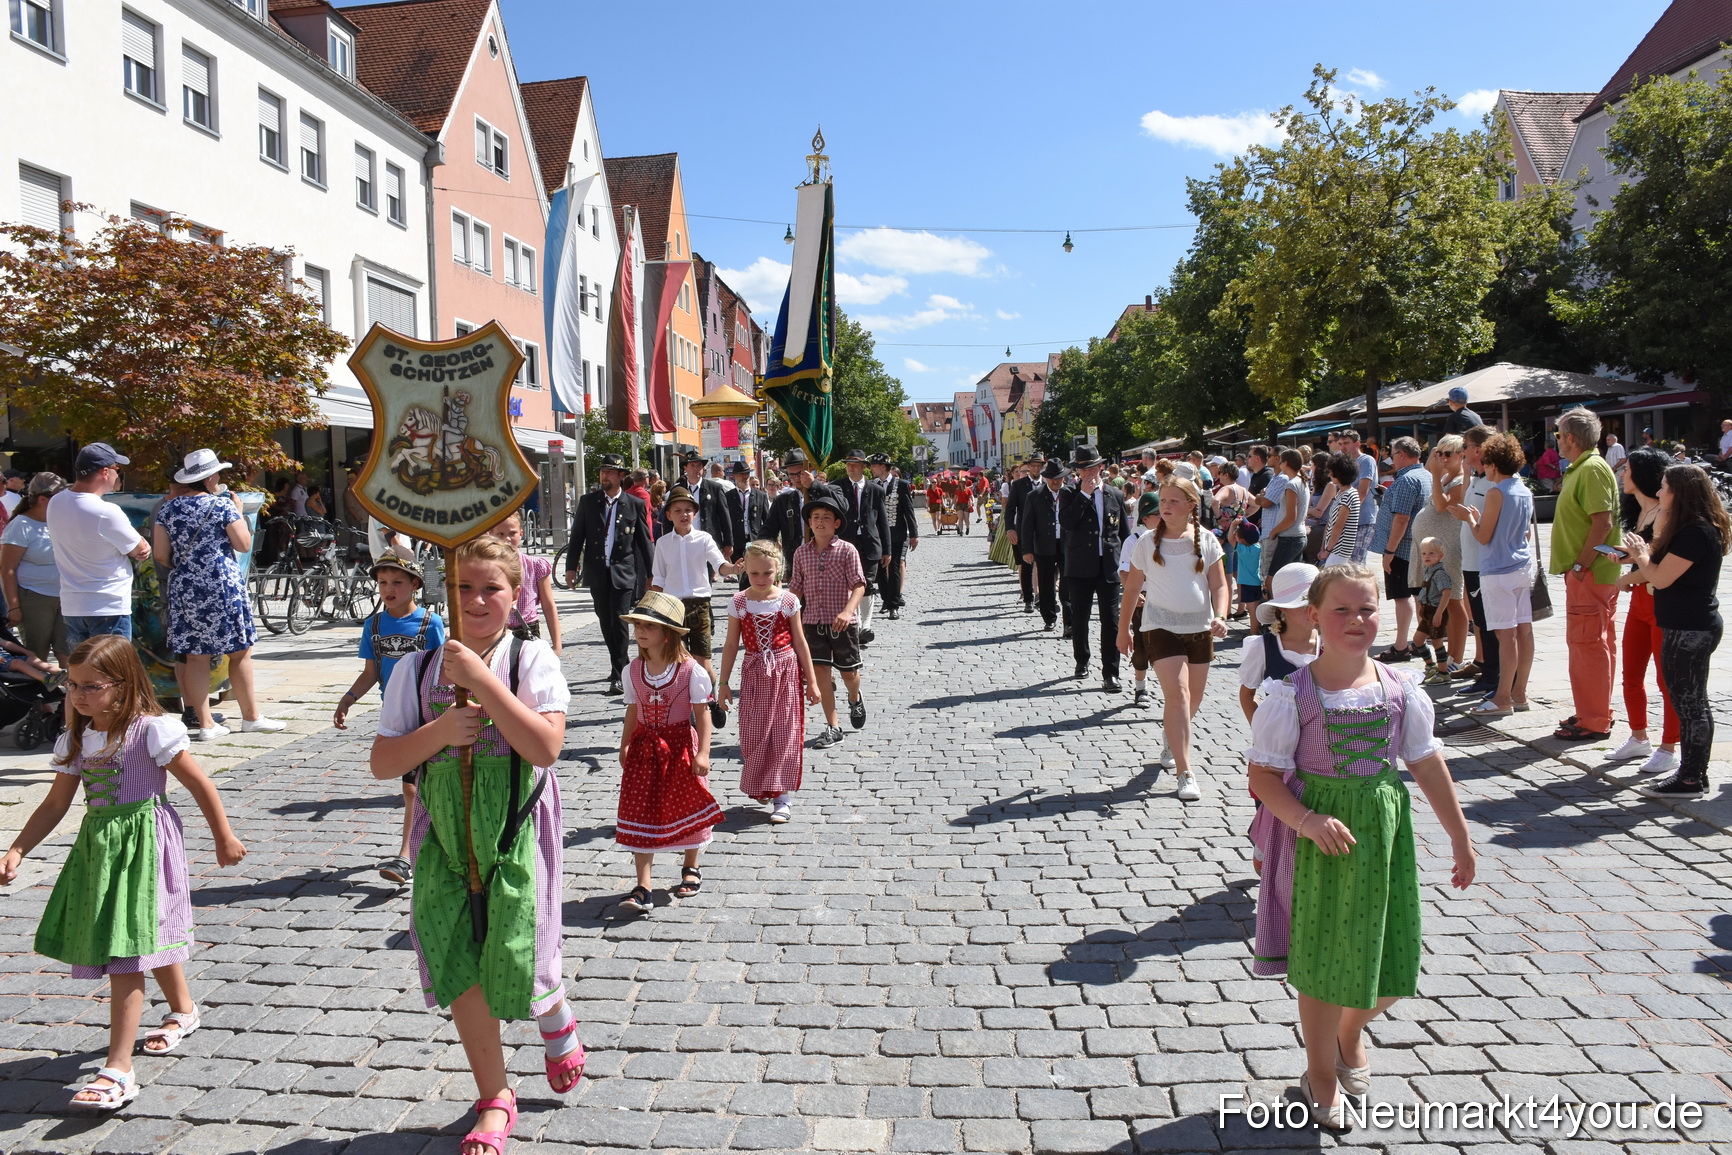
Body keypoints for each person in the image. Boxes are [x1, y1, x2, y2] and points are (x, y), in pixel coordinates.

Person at [370, 537, 582, 1150]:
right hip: (442, 834)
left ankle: (552, 1011)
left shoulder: (530, 660)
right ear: (445, 593)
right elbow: (385, 762)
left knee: (519, 951)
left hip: (513, 826)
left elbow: (544, 748)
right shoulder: (415, 669)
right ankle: (494, 1094)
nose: (476, 599)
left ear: (516, 595)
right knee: (457, 955)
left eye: (491, 587)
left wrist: (484, 684)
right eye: (463, 587)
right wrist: (438, 730)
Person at [1246, 564, 1474, 1130]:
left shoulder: (1399, 687)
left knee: (1393, 957)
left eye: (1367, 609)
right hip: (1318, 842)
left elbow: (1424, 760)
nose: (1357, 620)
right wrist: (1306, 819)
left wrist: (1460, 834)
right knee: (1323, 965)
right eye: (1342, 610)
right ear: (1314, 617)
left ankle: (1351, 1030)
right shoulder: (1291, 693)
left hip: (1381, 836)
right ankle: (1320, 1076)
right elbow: (1263, 775)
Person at [1, 635, 245, 1109]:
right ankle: (184, 1009)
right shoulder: (76, 737)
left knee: (125, 948)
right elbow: (55, 803)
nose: (78, 695)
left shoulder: (151, 730)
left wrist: (223, 836)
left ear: (122, 683)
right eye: (72, 685)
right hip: (99, 849)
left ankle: (118, 1068)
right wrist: (18, 848)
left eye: (91, 686)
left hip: (145, 843)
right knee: (138, 933)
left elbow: (199, 783)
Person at [152, 450, 285, 741]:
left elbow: (160, 554)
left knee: (196, 657)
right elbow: (242, 543)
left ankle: (205, 724)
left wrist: (187, 569)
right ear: (210, 477)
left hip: (185, 587)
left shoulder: (168, 508)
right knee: (240, 652)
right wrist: (238, 512)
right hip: (221, 585)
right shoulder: (221, 506)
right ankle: (251, 717)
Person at [333, 553, 446, 884]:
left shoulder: (430, 624)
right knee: (414, 785)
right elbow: (371, 672)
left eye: (397, 582)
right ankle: (418, 849)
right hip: (395, 715)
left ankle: (406, 856)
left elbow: (441, 668)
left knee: (413, 787)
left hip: (426, 711)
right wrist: (348, 699)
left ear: (414, 585)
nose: (389, 589)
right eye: (383, 582)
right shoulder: (375, 625)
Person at [1620, 464, 1729, 800]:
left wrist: (1640, 556)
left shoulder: (1696, 531)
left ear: (1680, 493)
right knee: (1689, 702)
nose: (1660, 491)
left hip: (1691, 628)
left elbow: (1661, 578)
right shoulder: (1685, 528)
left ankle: (1693, 777)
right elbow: (1661, 571)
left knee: (1691, 704)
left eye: (1665, 487)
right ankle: (1690, 774)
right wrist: (1638, 563)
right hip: (1683, 625)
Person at [1116, 479, 1228, 800]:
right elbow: (1133, 589)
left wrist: (1220, 616)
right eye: (1163, 500)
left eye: (1174, 501)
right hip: (1159, 627)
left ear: (1192, 505)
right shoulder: (1147, 543)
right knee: (1177, 696)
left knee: (1192, 700)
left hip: (1200, 628)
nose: (1165, 506)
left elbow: (1219, 585)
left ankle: (1171, 736)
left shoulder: (1206, 540)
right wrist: (1124, 629)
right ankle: (1185, 771)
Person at [613, 590, 724, 911]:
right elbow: (632, 710)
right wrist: (625, 744)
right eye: (637, 626)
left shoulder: (691, 672)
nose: (640, 632)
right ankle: (642, 885)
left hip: (679, 746)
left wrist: (703, 753)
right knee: (640, 808)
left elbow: (702, 714)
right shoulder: (633, 670)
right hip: (645, 748)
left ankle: (691, 864)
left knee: (688, 802)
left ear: (668, 635)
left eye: (649, 626)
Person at [717, 540, 820, 824]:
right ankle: (764, 782)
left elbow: (800, 641)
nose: (761, 579)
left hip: (785, 670)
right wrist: (723, 683)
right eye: (754, 574)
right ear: (745, 572)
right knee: (754, 733)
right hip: (754, 671)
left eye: (768, 573)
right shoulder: (739, 602)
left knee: (785, 732)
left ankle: (782, 797)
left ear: (779, 571)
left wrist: (811, 681)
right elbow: (729, 644)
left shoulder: (788, 601)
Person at [1549, 408, 1622, 742]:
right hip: (1592, 572)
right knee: (1595, 643)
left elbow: (1602, 522)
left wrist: (1580, 566)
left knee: (1587, 644)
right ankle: (1594, 712)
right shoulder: (1584, 467)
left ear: (1571, 438)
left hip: (1590, 573)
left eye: (1559, 434)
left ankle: (1593, 719)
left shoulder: (1590, 468)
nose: (1557, 440)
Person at [1610, 448, 1679, 776]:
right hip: (1640, 601)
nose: (1622, 475)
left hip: (1658, 601)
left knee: (1666, 681)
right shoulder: (1641, 512)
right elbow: (1644, 553)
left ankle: (1669, 747)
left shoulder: (1665, 513)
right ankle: (1639, 736)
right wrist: (1624, 557)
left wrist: (1627, 574)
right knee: (1631, 673)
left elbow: (1659, 563)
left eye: (1627, 469)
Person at [649, 486, 740, 729]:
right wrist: (651, 610)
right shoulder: (662, 543)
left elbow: (719, 564)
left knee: (702, 663)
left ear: (695, 514)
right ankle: (685, 706)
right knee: (678, 660)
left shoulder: (704, 539)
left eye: (688, 510)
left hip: (699, 606)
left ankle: (712, 701)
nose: (683, 514)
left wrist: (733, 569)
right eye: (678, 510)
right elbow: (658, 578)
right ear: (669, 515)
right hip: (671, 608)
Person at [564, 454, 654, 696]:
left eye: (610, 472)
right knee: (605, 621)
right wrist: (571, 567)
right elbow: (577, 538)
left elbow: (644, 541)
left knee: (620, 621)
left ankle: (619, 674)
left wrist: (653, 573)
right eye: (603, 471)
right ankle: (619, 663)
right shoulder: (588, 502)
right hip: (597, 571)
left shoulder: (633, 504)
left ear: (621, 476)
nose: (605, 476)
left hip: (623, 572)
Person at [46, 443, 152, 645]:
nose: (117, 475)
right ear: (105, 472)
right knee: (113, 674)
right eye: (116, 469)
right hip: (108, 605)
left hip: (73, 605)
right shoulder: (105, 511)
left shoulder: (56, 502)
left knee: (84, 673)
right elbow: (140, 549)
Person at [1462, 434, 1535, 717]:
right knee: (1525, 632)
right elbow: (1526, 532)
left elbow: (1483, 535)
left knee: (1506, 637)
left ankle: (1503, 697)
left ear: (1493, 465)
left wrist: (1470, 518)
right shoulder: (1523, 490)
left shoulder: (1497, 492)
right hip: (1521, 567)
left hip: (1498, 570)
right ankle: (1519, 693)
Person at [788, 493, 867, 749]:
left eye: (826, 518)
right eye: (815, 518)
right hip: (812, 622)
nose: (820, 522)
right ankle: (833, 726)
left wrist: (847, 612)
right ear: (809, 523)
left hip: (843, 622)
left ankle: (854, 698)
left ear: (836, 524)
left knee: (848, 673)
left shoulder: (847, 550)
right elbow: (796, 588)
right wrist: (783, 609)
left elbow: (858, 585)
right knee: (821, 672)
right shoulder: (801, 553)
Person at [1058, 445, 1126, 691]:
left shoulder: (1115, 494)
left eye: (1092, 468)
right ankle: (1082, 660)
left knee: (1111, 621)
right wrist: (1084, 495)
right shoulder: (1069, 493)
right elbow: (1066, 523)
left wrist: (1127, 565)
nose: (1088, 473)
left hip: (1108, 566)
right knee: (1081, 617)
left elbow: (1123, 534)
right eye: (1082, 469)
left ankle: (1111, 672)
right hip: (1079, 566)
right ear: (1077, 471)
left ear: (1101, 468)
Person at [1407, 437, 1468, 678]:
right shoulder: (1445, 475)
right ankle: (1444, 657)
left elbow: (1443, 507)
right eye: (1440, 453)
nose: (1443, 458)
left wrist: (1434, 473)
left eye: (1449, 454)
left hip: (1448, 548)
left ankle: (1458, 657)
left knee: (1453, 599)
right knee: (1435, 600)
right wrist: (1434, 468)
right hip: (1434, 548)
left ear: (1461, 454)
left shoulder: (1459, 479)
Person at [1447, 426, 1500, 698]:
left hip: (1485, 563)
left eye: (1465, 447)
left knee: (1489, 622)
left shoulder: (1494, 482)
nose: (1461, 452)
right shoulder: (1478, 478)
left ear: (1478, 450)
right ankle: (1486, 669)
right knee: (1479, 620)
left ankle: (1494, 677)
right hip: (1471, 561)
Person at [1366, 437, 1430, 662]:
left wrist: (1389, 551)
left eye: (1392, 455)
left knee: (1402, 597)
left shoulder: (1406, 480)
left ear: (1402, 454)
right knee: (1419, 595)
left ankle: (1401, 646)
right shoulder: (1426, 475)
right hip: (1419, 545)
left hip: (1402, 548)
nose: (1391, 459)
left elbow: (1402, 519)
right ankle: (1421, 640)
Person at [1238, 562, 1321, 724]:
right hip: (1284, 743)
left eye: (1318, 604)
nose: (1313, 611)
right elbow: (1247, 694)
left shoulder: (1329, 643)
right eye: (1304, 605)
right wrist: (1262, 731)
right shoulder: (1264, 647)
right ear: (1284, 608)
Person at [2, 471, 68, 665]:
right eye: (60, 499)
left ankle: (71, 693)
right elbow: (7, 569)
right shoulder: (21, 525)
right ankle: (36, 693)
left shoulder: (60, 522)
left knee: (66, 651)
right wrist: (13, 607)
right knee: (36, 653)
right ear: (43, 500)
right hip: (34, 597)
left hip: (65, 596)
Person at [834, 449, 890, 643]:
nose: (850, 467)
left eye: (855, 464)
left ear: (864, 467)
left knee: (867, 583)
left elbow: (883, 522)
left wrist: (887, 550)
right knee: (848, 585)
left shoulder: (876, 490)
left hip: (869, 544)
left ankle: (865, 626)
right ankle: (853, 623)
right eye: (848, 464)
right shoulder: (838, 487)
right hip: (845, 544)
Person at [759, 448, 839, 577]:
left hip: (828, 558)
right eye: (792, 475)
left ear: (810, 469)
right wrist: (760, 549)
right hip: (796, 561)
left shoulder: (827, 491)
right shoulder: (783, 501)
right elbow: (768, 530)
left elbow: (842, 506)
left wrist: (814, 485)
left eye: (800, 473)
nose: (796, 478)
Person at [492, 512, 560, 654]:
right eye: (500, 534)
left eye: (512, 533)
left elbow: (548, 605)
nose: (507, 539)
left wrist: (557, 644)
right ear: (491, 534)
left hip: (527, 629)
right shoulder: (488, 567)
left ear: (521, 533)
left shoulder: (535, 565)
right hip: (497, 630)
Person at [1117, 492, 1162, 707]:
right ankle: (1140, 687)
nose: (1163, 516)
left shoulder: (1172, 538)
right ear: (1146, 518)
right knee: (1142, 645)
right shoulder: (1133, 541)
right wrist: (1135, 595)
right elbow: (1124, 573)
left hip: (1166, 600)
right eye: (1157, 514)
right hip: (1143, 599)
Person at [1020, 459, 1068, 634]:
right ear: (1047, 478)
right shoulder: (1035, 496)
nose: (1056, 481)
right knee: (1046, 584)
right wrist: (1027, 550)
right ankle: (1049, 618)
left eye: (1059, 478)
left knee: (1067, 585)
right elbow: (1027, 525)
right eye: (1053, 478)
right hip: (1044, 546)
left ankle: (1069, 622)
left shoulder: (1070, 494)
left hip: (1067, 546)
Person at [870, 453, 919, 619]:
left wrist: (914, 534)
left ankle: (894, 604)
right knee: (880, 570)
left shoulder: (902, 485)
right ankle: (886, 599)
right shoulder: (872, 485)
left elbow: (908, 511)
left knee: (895, 566)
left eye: (874, 466)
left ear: (883, 467)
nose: (871, 469)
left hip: (896, 533)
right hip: (877, 535)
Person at [1257, 449, 1309, 586]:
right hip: (1297, 536)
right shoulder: (1301, 481)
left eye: (1281, 462)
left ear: (1285, 463)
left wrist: (1274, 531)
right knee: (1291, 581)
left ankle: (1276, 607)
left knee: (1271, 581)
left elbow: (1291, 517)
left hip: (1290, 538)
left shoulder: (1291, 484)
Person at [1410, 539, 1454, 678]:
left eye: (1431, 553)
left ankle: (1443, 673)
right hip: (1427, 612)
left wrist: (1439, 613)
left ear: (1440, 556)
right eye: (1424, 553)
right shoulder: (1429, 571)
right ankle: (1431, 665)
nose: (1427, 556)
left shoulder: (1440, 573)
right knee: (1417, 640)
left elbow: (1447, 593)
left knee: (1437, 642)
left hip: (1436, 611)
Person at [1006, 455, 1041, 612]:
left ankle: (1043, 596)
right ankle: (1028, 598)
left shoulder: (1047, 484)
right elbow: (1010, 508)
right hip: (1023, 531)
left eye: (1038, 466)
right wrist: (1010, 528)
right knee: (1026, 566)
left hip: (1043, 532)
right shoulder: (1019, 485)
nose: (1035, 469)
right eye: (1032, 466)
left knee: (1044, 566)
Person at [1321, 455, 1361, 568]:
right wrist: (1324, 547)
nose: (1330, 475)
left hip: (1340, 549)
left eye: (1332, 472)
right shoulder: (1342, 493)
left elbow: (1339, 526)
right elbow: (1331, 523)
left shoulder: (1347, 495)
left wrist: (1327, 550)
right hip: (1335, 548)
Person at [728, 461, 769, 570]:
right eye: (741, 474)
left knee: (754, 570)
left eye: (747, 473)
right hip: (736, 540)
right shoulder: (728, 496)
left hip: (754, 539)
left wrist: (767, 540)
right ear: (735, 476)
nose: (745, 477)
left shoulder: (761, 495)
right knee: (741, 573)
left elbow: (767, 520)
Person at [1234, 521, 1264, 627]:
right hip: (1257, 582)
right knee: (1256, 608)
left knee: (1252, 611)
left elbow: (1230, 539)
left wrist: (1233, 525)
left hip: (1246, 584)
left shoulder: (1241, 550)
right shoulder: (1258, 548)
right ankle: (1257, 630)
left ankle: (1253, 633)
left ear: (1241, 540)